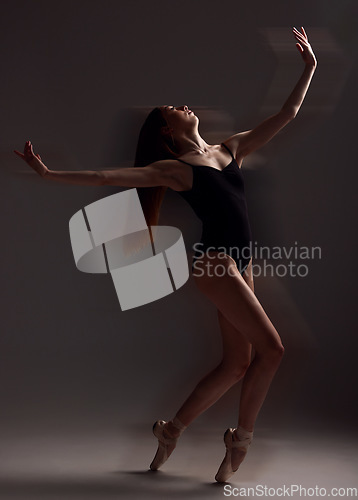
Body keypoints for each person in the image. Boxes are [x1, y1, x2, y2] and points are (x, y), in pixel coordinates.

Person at [14, 26, 317, 483]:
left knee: (237, 363)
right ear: (166, 130)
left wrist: (309, 66)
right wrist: (48, 173)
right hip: (217, 265)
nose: (183, 105)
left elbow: (288, 113)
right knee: (273, 349)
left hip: (242, 263)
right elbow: (103, 177)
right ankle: (241, 439)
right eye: (173, 109)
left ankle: (170, 429)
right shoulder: (174, 170)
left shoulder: (230, 148)